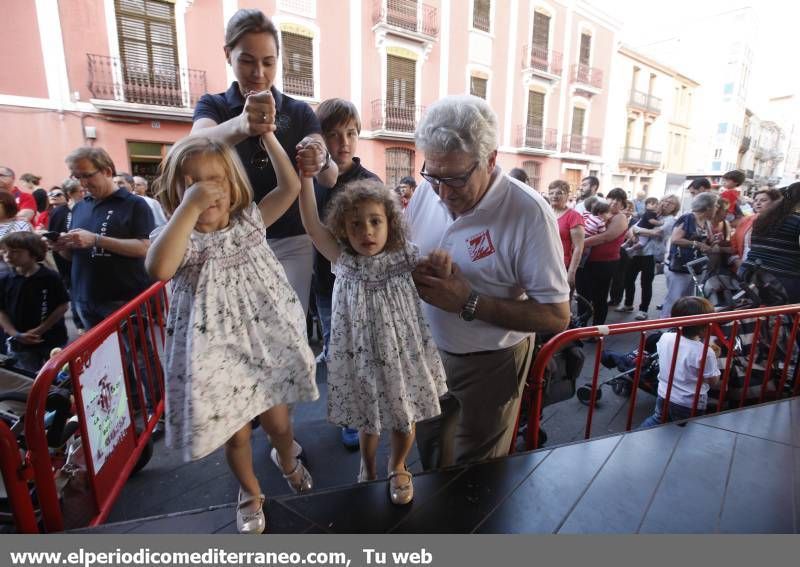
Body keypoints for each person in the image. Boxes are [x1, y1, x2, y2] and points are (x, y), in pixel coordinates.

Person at [146, 135, 318, 534]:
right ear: (174, 192)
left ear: (234, 184)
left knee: (278, 424)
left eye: (214, 180)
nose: (205, 191)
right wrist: (189, 207)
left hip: (264, 345)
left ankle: (286, 458)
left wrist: (269, 135)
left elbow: (289, 187)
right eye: (191, 184)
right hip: (217, 355)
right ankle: (249, 491)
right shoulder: (181, 240)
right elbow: (158, 268)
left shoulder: (250, 222)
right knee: (236, 433)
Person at [407, 95, 570, 469]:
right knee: (430, 448)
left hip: (492, 362)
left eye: (456, 180)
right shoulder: (428, 190)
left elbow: (557, 316)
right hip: (428, 353)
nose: (443, 194)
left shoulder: (529, 213)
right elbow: (405, 247)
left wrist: (468, 301)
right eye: (433, 176)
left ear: (491, 160)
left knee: (478, 469)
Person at [298, 175, 446, 505]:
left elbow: (435, 269)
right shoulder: (344, 260)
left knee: (403, 415)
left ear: (390, 222)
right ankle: (367, 468)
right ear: (343, 229)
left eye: (375, 221)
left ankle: (398, 466)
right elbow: (311, 224)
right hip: (360, 356)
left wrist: (443, 264)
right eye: (356, 224)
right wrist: (305, 177)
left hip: (400, 353)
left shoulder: (403, 257)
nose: (366, 231)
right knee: (369, 420)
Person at [191, 8, 337, 315]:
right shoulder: (213, 105)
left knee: (288, 321)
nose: (258, 72)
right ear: (228, 54)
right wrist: (240, 125)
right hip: (230, 240)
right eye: (247, 60)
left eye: (268, 62)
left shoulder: (299, 112)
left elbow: (328, 175)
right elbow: (192, 149)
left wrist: (320, 157)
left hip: (291, 239)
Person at [310, 98, 381, 452]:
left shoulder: (369, 181)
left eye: (351, 133)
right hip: (325, 286)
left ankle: (363, 415)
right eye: (334, 134)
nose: (344, 142)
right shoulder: (312, 180)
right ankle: (348, 416)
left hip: (363, 287)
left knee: (363, 352)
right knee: (338, 353)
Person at [52, 147, 155, 329]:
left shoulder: (135, 204)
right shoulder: (79, 207)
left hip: (123, 301)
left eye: (87, 175)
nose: (82, 183)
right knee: (100, 358)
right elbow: (72, 256)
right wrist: (62, 246)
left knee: (135, 355)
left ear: (107, 170)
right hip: (85, 299)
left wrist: (96, 240)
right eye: (77, 177)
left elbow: (144, 248)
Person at [641, 297, 720, 427]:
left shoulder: (665, 337)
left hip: (664, 394)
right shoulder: (705, 352)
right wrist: (715, 358)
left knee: (657, 420)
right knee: (686, 432)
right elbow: (713, 381)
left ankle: (636, 437)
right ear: (704, 327)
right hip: (689, 403)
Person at [0, 231, 68, 373]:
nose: (7, 255)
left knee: (59, 374)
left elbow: (62, 306)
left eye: (15, 252)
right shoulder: (4, 279)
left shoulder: (50, 277)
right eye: (5, 251)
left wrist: (40, 330)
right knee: (29, 378)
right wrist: (15, 334)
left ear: (33, 253)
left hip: (51, 339)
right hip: (19, 343)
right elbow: (1, 311)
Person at [622, 195, 681, 320]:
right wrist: (635, 233)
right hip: (637, 252)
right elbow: (632, 228)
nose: (666, 204)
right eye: (665, 200)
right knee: (628, 278)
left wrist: (638, 230)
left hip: (651, 254)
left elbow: (657, 233)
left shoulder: (670, 220)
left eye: (670, 203)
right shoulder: (653, 214)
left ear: (675, 207)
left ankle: (643, 310)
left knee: (646, 283)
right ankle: (628, 304)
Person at [575, 188, 629, 325]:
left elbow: (606, 237)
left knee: (599, 297)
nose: (615, 202)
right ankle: (580, 327)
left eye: (619, 200)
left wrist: (578, 244)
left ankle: (596, 332)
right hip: (585, 261)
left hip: (604, 263)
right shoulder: (597, 213)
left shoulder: (620, 217)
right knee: (582, 296)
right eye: (612, 198)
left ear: (623, 204)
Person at [660, 192, 718, 318]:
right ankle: (664, 328)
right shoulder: (688, 218)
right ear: (708, 207)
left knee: (687, 300)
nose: (717, 209)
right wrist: (697, 244)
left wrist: (711, 242)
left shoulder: (706, 222)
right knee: (674, 299)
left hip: (695, 267)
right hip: (681, 267)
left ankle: (680, 327)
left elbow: (705, 243)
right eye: (715, 206)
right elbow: (676, 239)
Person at [742, 182, 800, 303]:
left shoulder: (763, 218)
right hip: (780, 282)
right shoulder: (797, 221)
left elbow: (752, 246)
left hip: (748, 274)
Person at [731, 188, 781, 270]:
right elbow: (734, 244)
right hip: (742, 269)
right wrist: (735, 260)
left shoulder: (781, 223)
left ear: (775, 203)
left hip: (767, 271)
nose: (758, 203)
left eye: (763, 200)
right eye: (755, 200)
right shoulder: (745, 220)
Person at [548, 180, 584, 291]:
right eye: (551, 193)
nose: (554, 196)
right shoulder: (544, 212)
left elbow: (578, 247)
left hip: (561, 266)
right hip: (542, 264)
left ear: (567, 195)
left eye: (559, 193)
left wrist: (571, 272)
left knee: (560, 304)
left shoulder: (573, 216)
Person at [579, 199, 612, 266]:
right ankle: (581, 264)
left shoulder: (591, 215)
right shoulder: (600, 222)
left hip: (582, 233)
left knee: (580, 249)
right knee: (586, 251)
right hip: (588, 236)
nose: (610, 215)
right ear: (600, 213)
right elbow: (602, 232)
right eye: (608, 213)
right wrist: (606, 223)